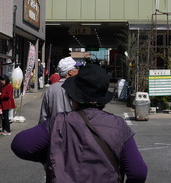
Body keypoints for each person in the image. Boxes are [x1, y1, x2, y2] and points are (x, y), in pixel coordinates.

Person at [12, 64, 148, 182]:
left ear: (73, 95)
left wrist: (50, 157)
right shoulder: (119, 126)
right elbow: (138, 173)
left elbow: (20, 144)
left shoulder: (59, 122)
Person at [38, 57, 81, 123]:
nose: (78, 71)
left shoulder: (50, 89)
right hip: (72, 129)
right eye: (77, 68)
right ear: (70, 72)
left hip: (53, 128)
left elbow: (44, 115)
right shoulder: (77, 87)